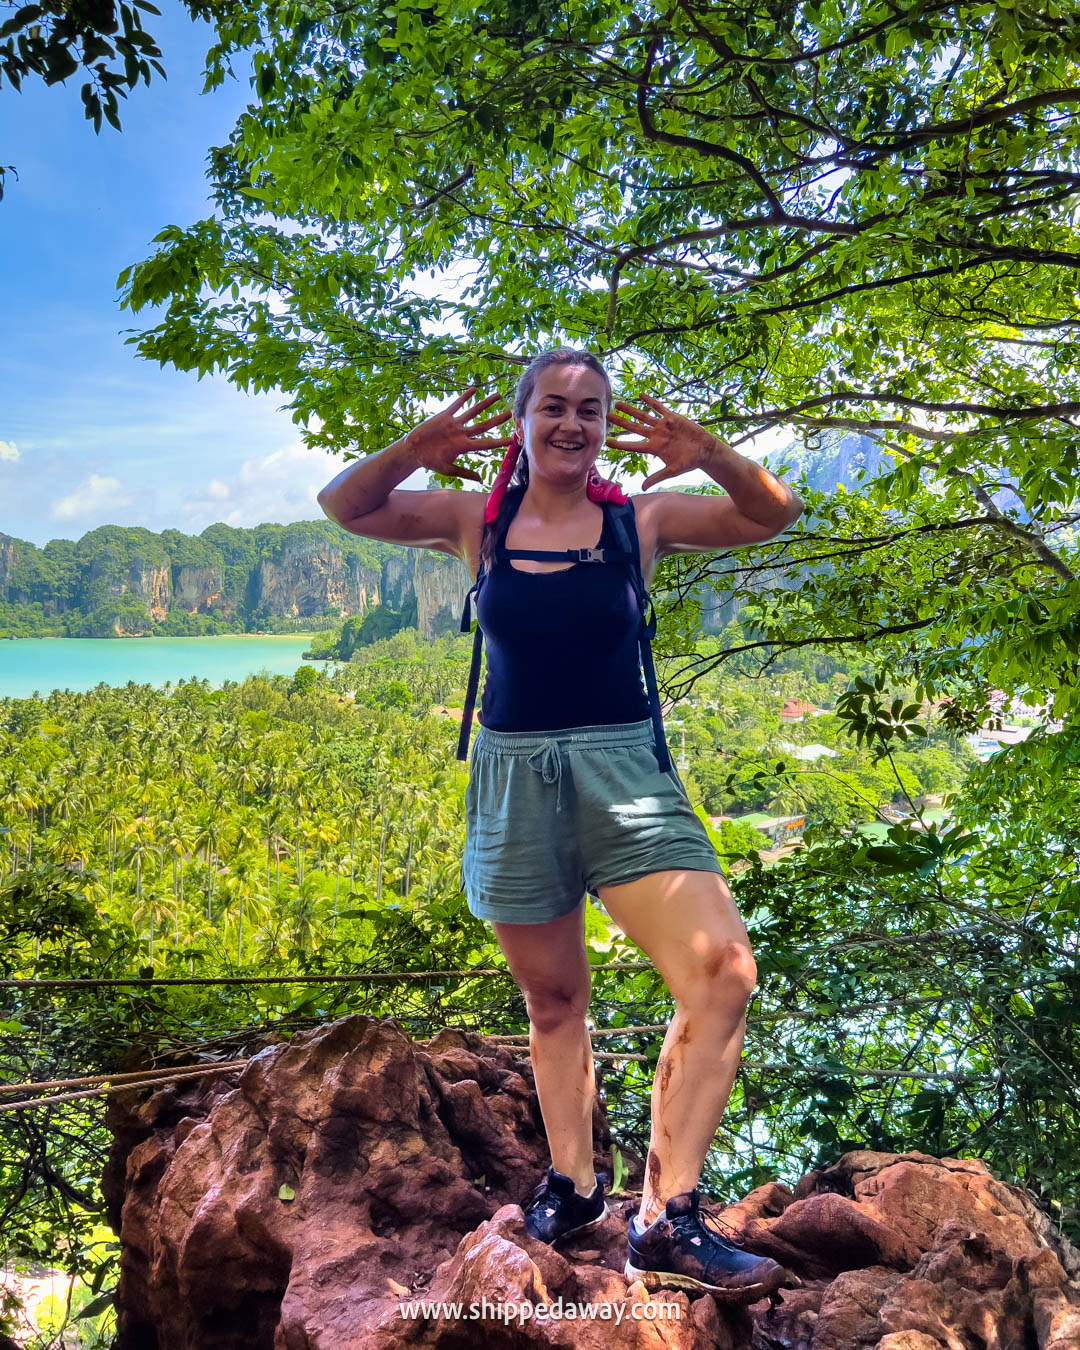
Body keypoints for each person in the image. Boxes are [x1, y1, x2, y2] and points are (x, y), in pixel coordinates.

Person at [317, 348, 803, 1301]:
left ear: (608, 422)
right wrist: (416, 446)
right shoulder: (478, 521)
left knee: (722, 973)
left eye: (589, 408)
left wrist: (709, 451)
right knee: (554, 1005)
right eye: (552, 407)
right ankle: (577, 1190)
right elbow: (348, 504)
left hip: (627, 772)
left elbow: (771, 513)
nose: (571, 423)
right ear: (524, 420)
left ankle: (669, 1217)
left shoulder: (641, 522)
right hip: (513, 780)